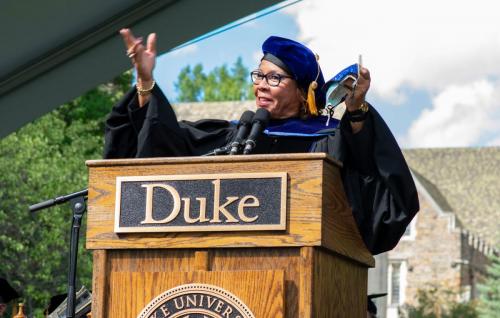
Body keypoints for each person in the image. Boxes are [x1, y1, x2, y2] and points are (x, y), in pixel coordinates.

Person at [104, 29, 419, 254]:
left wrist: (356, 110)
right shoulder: (235, 135)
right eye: (259, 76)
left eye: (275, 78)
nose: (262, 86)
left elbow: (372, 188)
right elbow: (165, 145)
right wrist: (145, 82)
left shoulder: (328, 137)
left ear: (303, 91)